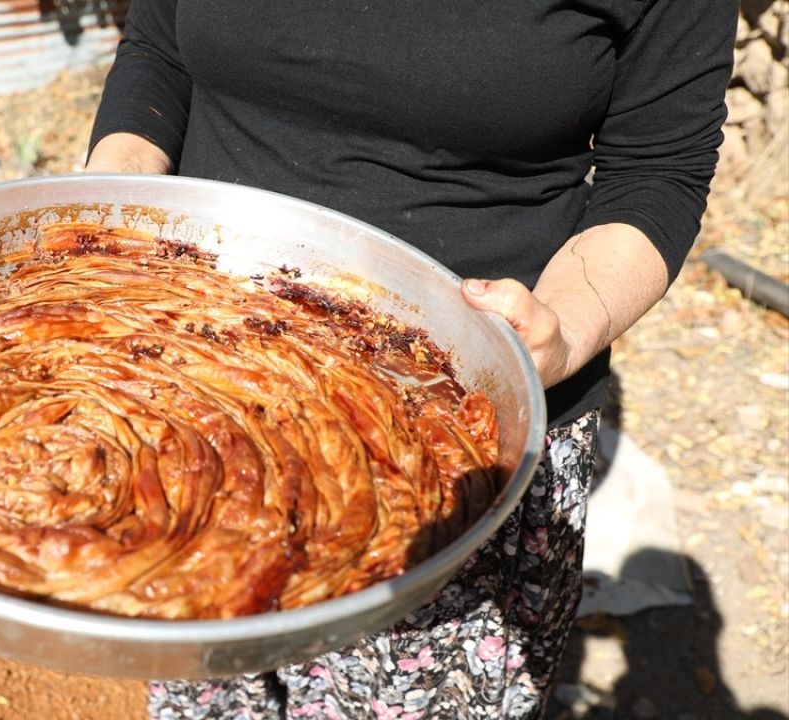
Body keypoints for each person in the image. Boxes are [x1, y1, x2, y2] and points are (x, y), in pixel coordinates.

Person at [85, 1, 738, 718]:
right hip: (192, 387)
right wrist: (110, 208)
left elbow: (657, 168)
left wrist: (565, 334)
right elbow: (159, 46)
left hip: (459, 429)